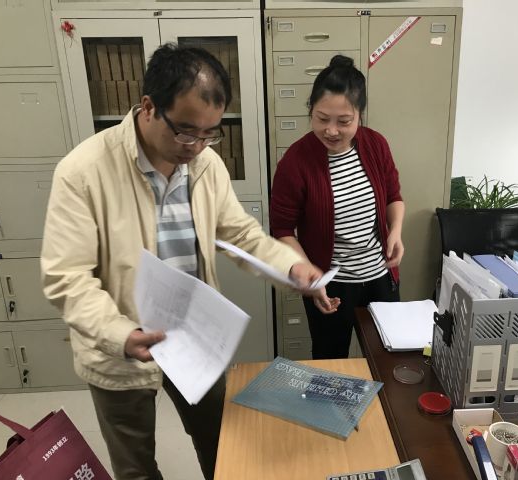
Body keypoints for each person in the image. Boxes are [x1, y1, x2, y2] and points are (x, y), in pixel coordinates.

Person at [41, 43, 322, 480]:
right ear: (149, 107)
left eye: (210, 133)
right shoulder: (83, 172)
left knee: (221, 446)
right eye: (186, 131)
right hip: (121, 349)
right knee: (135, 467)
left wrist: (290, 266)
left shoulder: (206, 165)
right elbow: (66, 278)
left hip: (193, 338)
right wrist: (121, 334)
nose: (197, 146)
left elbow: (240, 234)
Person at [270, 55, 405, 360]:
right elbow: (282, 229)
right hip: (330, 283)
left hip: (380, 276)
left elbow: (393, 197)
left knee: (389, 358)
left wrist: (395, 231)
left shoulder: (376, 145)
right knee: (330, 361)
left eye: (344, 121)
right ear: (311, 111)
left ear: (359, 116)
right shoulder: (295, 162)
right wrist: (309, 273)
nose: (331, 130)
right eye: (322, 119)